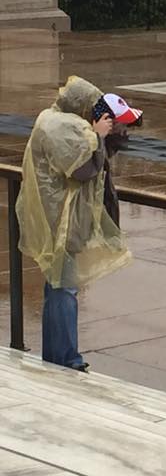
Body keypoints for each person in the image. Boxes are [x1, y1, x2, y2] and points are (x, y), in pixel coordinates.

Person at [16, 77, 142, 371]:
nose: (119, 132)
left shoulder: (63, 123)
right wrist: (98, 137)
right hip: (60, 222)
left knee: (57, 287)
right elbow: (82, 170)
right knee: (64, 290)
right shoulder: (61, 127)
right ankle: (67, 360)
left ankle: (56, 356)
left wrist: (100, 140)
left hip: (60, 220)